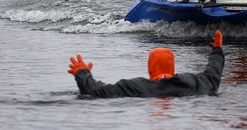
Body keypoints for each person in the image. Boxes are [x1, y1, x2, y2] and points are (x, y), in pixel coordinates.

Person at [67, 30, 224, 98]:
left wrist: (82, 73)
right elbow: (213, 74)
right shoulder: (195, 82)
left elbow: (96, 92)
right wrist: (217, 50)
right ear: (172, 66)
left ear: (150, 67)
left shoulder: (135, 86)